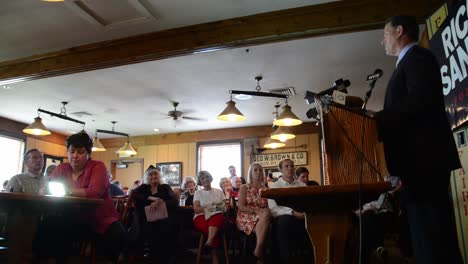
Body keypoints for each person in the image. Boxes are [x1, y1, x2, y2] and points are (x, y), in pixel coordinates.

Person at [379, 15, 462, 264]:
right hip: (417, 167)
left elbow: (419, 104)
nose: (382, 41)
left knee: (434, 241)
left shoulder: (418, 59)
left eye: (385, 34)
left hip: (425, 164)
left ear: (399, 32)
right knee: (427, 240)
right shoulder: (408, 63)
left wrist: (378, 120)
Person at [35, 132, 126, 262]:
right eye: (71, 152)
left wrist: (67, 191)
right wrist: (44, 190)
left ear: (88, 154)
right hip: (72, 217)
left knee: (116, 234)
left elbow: (95, 193)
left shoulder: (97, 166)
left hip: (99, 218)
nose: (75, 156)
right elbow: (47, 187)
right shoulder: (62, 168)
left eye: (80, 152)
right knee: (48, 226)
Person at [268, 158, 311, 263]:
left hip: (302, 215)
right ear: (281, 170)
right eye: (286, 166)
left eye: (292, 166)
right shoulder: (275, 186)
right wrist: (291, 212)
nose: (290, 168)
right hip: (284, 218)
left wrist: (304, 213)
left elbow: (309, 203)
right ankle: (286, 259)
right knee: (285, 221)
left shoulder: (302, 185)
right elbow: (273, 209)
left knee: (313, 220)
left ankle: (311, 257)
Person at [133, 165, 178, 264]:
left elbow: (174, 201)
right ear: (147, 177)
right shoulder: (144, 187)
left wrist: (160, 202)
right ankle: (152, 256)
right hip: (147, 219)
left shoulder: (165, 187)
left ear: (159, 176)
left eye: (156, 174)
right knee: (148, 228)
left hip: (164, 218)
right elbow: (134, 194)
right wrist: (151, 198)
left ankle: (165, 258)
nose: (153, 176)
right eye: (151, 174)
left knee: (166, 227)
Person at [236, 163, 270, 263]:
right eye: (255, 170)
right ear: (250, 173)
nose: (258, 172)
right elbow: (241, 206)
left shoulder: (266, 189)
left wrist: (261, 213)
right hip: (246, 215)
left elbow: (270, 206)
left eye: (260, 170)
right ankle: (259, 254)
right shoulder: (244, 187)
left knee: (266, 213)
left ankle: (258, 249)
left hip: (263, 216)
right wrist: (256, 211)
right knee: (265, 225)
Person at [193, 170, 225, 264]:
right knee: (213, 228)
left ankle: (209, 241)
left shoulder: (219, 191)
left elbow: (224, 207)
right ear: (200, 181)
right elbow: (196, 210)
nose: (205, 179)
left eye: (207, 176)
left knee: (217, 215)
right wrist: (212, 207)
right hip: (200, 217)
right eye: (202, 178)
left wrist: (208, 207)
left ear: (210, 178)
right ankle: (214, 254)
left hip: (216, 216)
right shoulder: (198, 193)